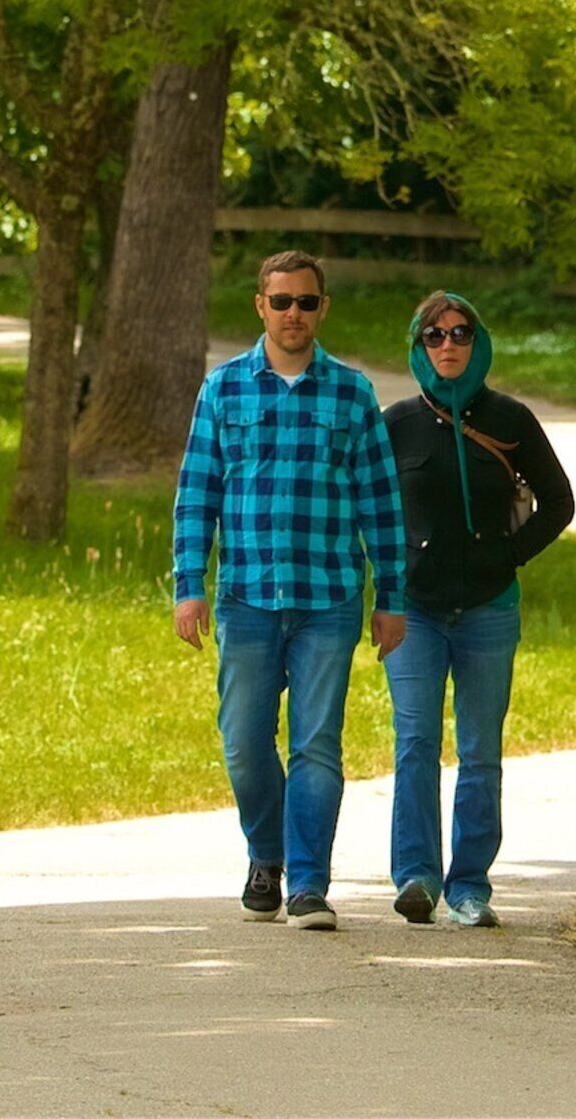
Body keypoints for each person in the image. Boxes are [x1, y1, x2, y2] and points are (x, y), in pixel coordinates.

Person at [171, 250, 408, 933]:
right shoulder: (223, 389)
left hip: (328, 597)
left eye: (306, 302)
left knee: (316, 745)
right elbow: (196, 494)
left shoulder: (352, 393)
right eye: (282, 302)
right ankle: (265, 857)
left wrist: (389, 597)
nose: (294, 314)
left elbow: (379, 503)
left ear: (322, 309)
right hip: (245, 595)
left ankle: (307, 884)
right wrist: (191, 586)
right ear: (261, 307)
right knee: (244, 742)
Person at [380, 291, 574, 929]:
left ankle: (470, 886)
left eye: (460, 334)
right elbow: (370, 512)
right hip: (416, 611)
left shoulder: (511, 418)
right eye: (434, 336)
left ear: (478, 342)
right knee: (415, 742)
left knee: (480, 750)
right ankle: (415, 877)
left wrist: (509, 556)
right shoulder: (397, 423)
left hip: (489, 609)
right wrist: (389, 581)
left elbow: (559, 502)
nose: (449, 346)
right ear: (418, 347)